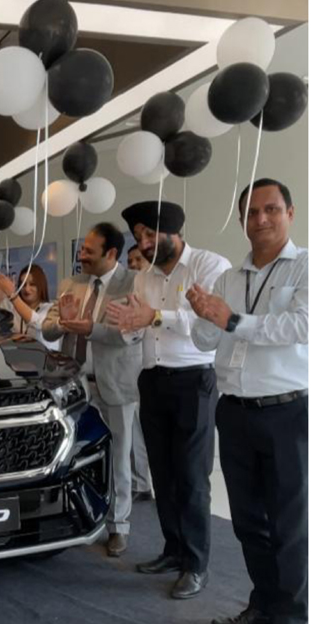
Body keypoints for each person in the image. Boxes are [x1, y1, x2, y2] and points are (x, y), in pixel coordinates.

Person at [188, 179, 307, 624]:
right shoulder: (227, 278)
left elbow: (300, 326)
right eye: (252, 212)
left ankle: (291, 616)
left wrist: (233, 320)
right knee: (248, 521)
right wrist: (204, 316)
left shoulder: (304, 266)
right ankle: (263, 605)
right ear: (242, 221)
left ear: (289, 213)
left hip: (287, 411)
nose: (261, 219)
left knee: (290, 525)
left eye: (271, 209)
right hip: (235, 411)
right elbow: (205, 341)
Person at [107, 201, 231, 600]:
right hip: (153, 380)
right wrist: (127, 325)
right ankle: (173, 549)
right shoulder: (143, 278)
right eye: (138, 236)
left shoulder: (209, 265)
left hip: (194, 380)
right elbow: (138, 329)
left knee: (192, 477)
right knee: (162, 473)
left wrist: (155, 317)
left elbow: (207, 320)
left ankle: (196, 565)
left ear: (174, 230)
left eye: (150, 234)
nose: (143, 243)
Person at [40, 223, 144, 557]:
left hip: (115, 384)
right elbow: (47, 329)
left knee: (119, 459)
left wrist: (90, 328)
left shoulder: (134, 282)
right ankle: (75, 516)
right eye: (81, 249)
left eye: (88, 250)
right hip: (75, 389)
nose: (81, 255)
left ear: (111, 253)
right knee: (73, 454)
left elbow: (128, 334)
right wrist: (62, 322)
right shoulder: (71, 284)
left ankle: (119, 526)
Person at [124, 245, 153, 502]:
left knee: (139, 429)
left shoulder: (152, 295)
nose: (133, 265)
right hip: (131, 370)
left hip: (148, 370)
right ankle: (140, 482)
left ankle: (142, 483)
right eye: (130, 260)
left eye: (138, 260)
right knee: (135, 428)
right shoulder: (130, 293)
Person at [0, 265, 60, 350]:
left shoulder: (50, 308)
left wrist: (12, 295)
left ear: (41, 285)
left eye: (32, 284)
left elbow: (38, 323)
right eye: (23, 284)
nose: (27, 289)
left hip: (43, 356)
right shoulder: (10, 307)